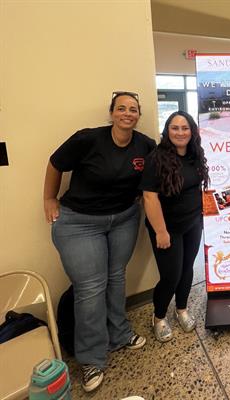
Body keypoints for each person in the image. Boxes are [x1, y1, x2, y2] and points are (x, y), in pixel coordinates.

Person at [43, 91, 156, 392]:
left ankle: (120, 334)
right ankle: (91, 358)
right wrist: (49, 199)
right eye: (121, 108)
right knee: (91, 287)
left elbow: (150, 180)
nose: (127, 114)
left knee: (116, 277)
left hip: (123, 219)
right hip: (79, 222)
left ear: (138, 115)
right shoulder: (88, 139)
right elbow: (55, 163)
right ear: (112, 113)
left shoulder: (145, 145)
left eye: (133, 109)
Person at [140, 111, 209, 342]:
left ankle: (181, 309)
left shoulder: (195, 155)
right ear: (167, 131)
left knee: (187, 268)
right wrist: (160, 231)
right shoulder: (156, 158)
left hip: (192, 224)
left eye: (185, 128)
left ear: (192, 131)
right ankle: (159, 317)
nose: (180, 132)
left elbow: (196, 188)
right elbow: (150, 198)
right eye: (175, 128)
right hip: (166, 228)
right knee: (170, 275)